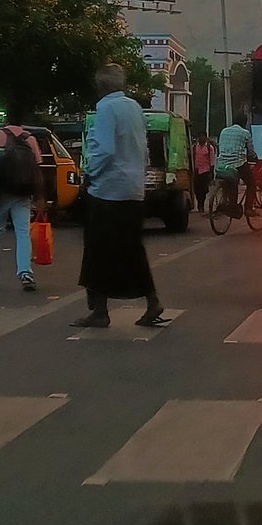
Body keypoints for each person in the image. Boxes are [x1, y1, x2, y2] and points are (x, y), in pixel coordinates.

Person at [72, 64, 165, 329]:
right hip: (133, 188)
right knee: (132, 249)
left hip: (107, 190)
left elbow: (104, 150)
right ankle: (151, 300)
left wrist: (89, 173)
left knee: (97, 252)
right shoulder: (134, 107)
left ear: (101, 86)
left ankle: (99, 310)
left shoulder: (105, 109)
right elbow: (142, 148)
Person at [0, 112, 42, 291]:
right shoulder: (30, 139)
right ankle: (25, 273)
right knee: (22, 233)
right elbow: (37, 166)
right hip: (22, 193)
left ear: (6, 118)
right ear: (22, 121)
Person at [215, 112, 258, 216]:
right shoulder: (245, 133)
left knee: (230, 184)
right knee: (251, 184)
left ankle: (227, 203)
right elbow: (250, 151)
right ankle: (248, 208)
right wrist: (256, 159)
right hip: (238, 163)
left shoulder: (224, 131)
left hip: (222, 164)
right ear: (244, 122)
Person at [192, 132, 216, 213]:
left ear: (205, 137)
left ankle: (201, 205)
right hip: (196, 171)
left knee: (204, 190)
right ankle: (199, 203)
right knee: (197, 189)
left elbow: (212, 161)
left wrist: (211, 174)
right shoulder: (194, 147)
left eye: (203, 137)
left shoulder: (209, 148)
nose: (201, 138)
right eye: (200, 137)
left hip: (205, 171)